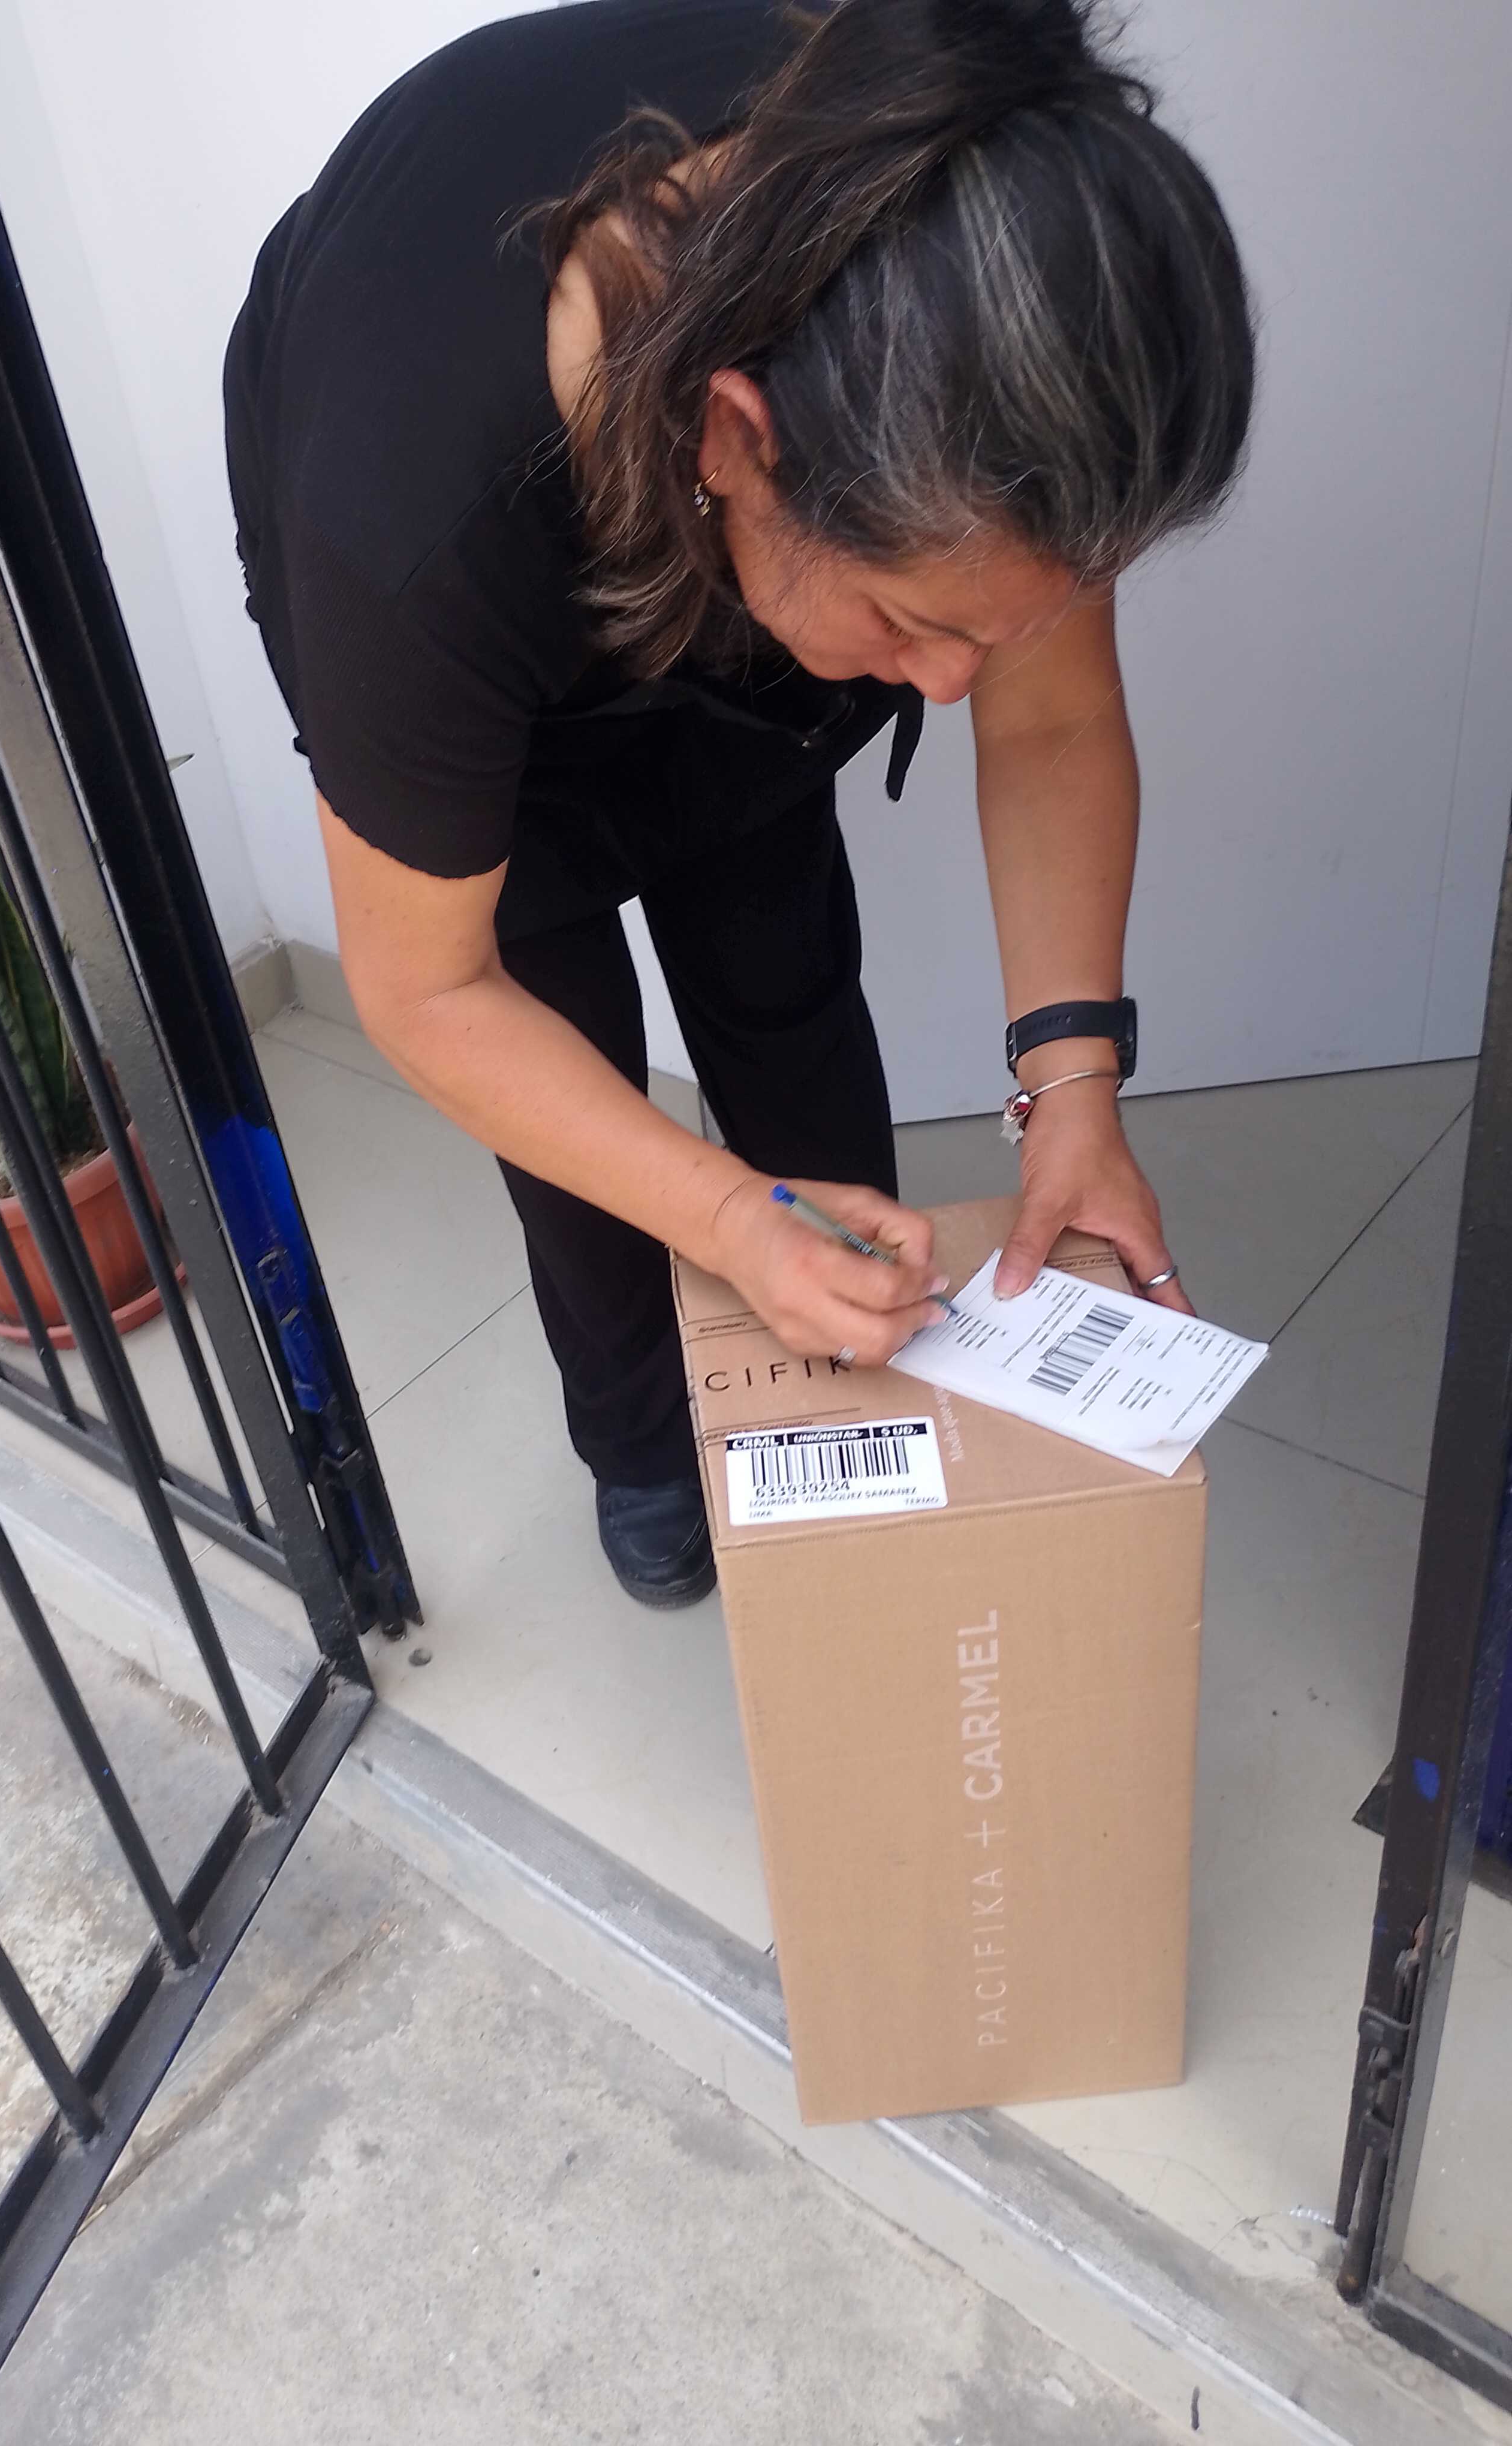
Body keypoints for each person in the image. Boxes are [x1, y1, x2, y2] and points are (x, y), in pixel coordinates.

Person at [224, 0, 1254, 1609]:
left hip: (753, 524)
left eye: (989, 629)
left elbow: (1053, 715)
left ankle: (837, 1388)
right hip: (477, 531)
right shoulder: (404, 517)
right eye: (916, 627)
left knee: (779, 962)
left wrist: (1075, 1093)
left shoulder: (982, 314)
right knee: (559, 1039)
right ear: (739, 441)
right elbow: (431, 990)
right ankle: (642, 1442)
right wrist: (716, 1212)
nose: (953, 688)